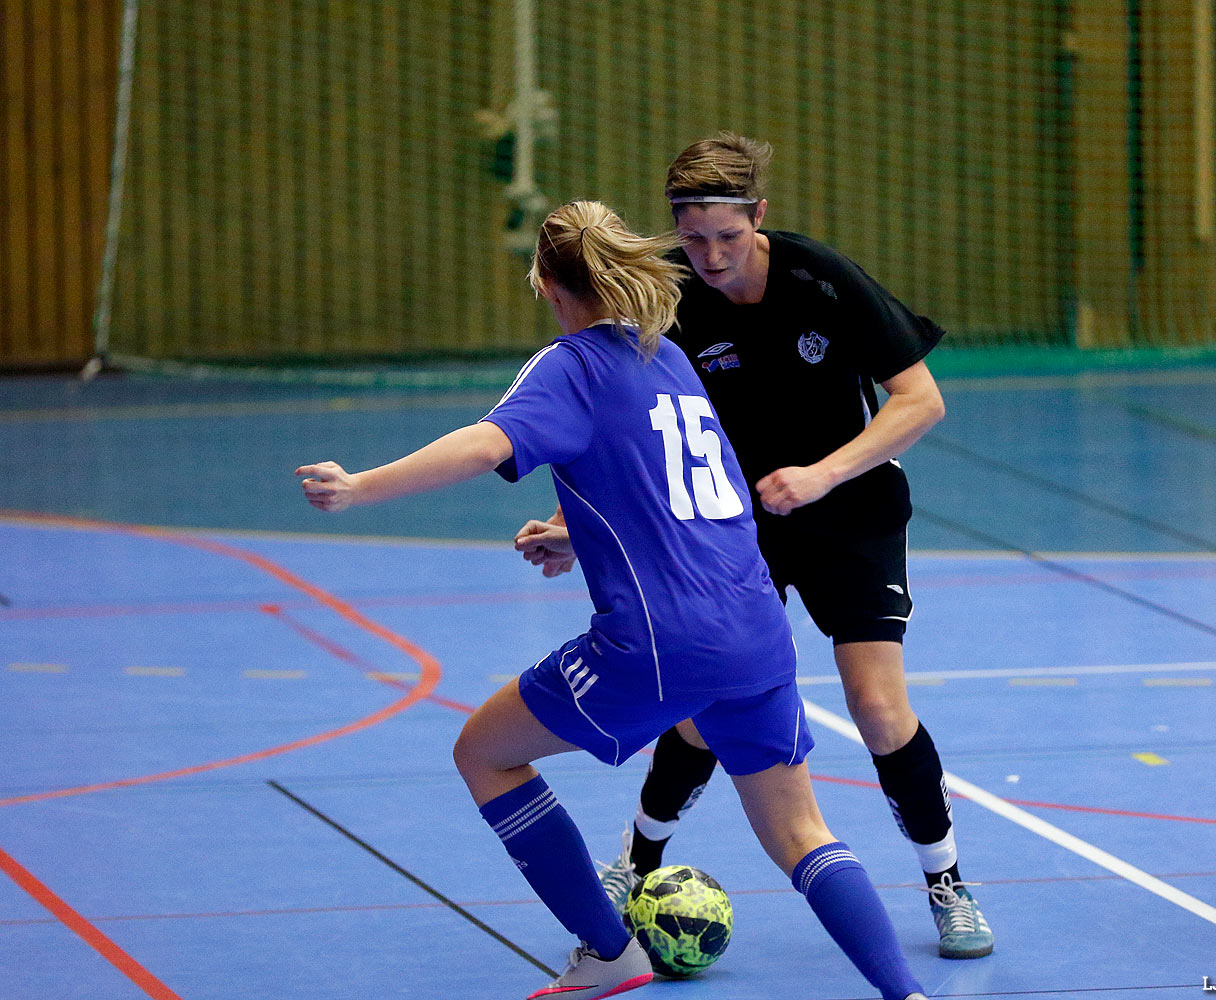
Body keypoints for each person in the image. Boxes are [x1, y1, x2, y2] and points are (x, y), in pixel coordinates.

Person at [297, 201, 930, 1000]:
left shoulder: (570, 364)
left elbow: (487, 444)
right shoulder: (666, 357)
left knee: (483, 753)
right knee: (803, 834)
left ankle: (607, 951)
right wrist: (578, 535)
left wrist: (360, 487)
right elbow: (696, 490)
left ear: (547, 286)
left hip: (663, 640)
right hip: (756, 627)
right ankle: (905, 993)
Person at [521, 134, 992, 959]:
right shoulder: (668, 299)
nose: (707, 255)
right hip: (734, 527)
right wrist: (575, 530)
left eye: (727, 238)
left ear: (759, 218)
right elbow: (644, 436)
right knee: (709, 710)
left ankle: (947, 880)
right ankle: (634, 862)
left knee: (879, 711)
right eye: (692, 237)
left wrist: (821, 475)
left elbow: (920, 401)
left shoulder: (820, 279)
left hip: (851, 517)